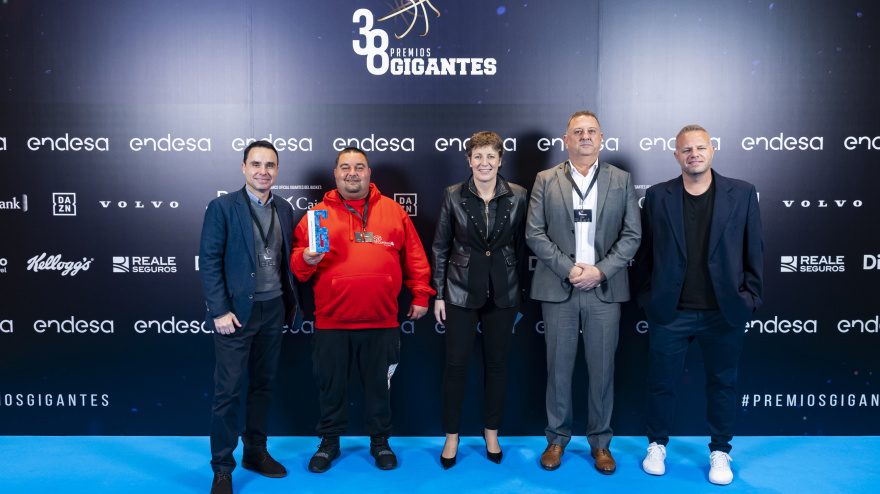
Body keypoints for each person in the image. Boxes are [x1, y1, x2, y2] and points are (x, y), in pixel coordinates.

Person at [291, 147, 434, 473]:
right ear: (336, 173)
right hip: (332, 321)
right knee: (331, 387)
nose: (352, 173)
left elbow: (414, 257)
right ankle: (329, 443)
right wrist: (306, 260)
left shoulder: (393, 211)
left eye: (359, 167)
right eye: (345, 167)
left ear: (369, 173)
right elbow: (297, 267)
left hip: (381, 320)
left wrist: (421, 295)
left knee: (379, 388)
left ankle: (380, 442)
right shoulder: (317, 216)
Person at [634, 124, 763, 485]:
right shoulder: (659, 196)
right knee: (661, 383)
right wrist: (647, 296)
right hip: (670, 311)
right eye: (686, 149)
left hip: (724, 312)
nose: (694, 153)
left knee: (722, 385)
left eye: (700, 147)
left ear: (712, 150)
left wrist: (750, 298)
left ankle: (720, 451)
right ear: (676, 155)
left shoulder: (743, 193)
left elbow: (755, 250)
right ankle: (657, 444)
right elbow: (645, 253)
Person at [526, 111, 641, 474]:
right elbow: (534, 233)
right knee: (558, 368)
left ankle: (601, 443)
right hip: (560, 286)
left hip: (604, 289)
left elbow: (632, 235)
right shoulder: (545, 179)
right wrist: (570, 269)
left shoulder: (621, 180)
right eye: (578, 132)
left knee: (602, 370)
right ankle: (556, 440)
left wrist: (600, 271)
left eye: (591, 131)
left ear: (602, 138)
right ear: (567, 140)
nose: (585, 137)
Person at [199, 141, 303, 494]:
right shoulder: (222, 207)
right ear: (243, 167)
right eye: (256, 164)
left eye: (270, 165)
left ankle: (255, 452)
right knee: (227, 392)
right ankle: (222, 469)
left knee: (263, 386)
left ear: (277, 170)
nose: (263, 170)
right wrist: (219, 310)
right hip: (236, 313)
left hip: (274, 309)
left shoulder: (286, 209)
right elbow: (209, 261)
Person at [431, 131, 528, 469]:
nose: (484, 162)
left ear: (501, 160)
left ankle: (491, 432)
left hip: (504, 292)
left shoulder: (518, 195)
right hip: (459, 291)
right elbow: (441, 247)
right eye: (478, 156)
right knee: (456, 366)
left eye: (491, 156)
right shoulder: (453, 195)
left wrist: (515, 286)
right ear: (468, 160)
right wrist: (440, 294)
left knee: (497, 366)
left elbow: (520, 247)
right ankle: (452, 436)